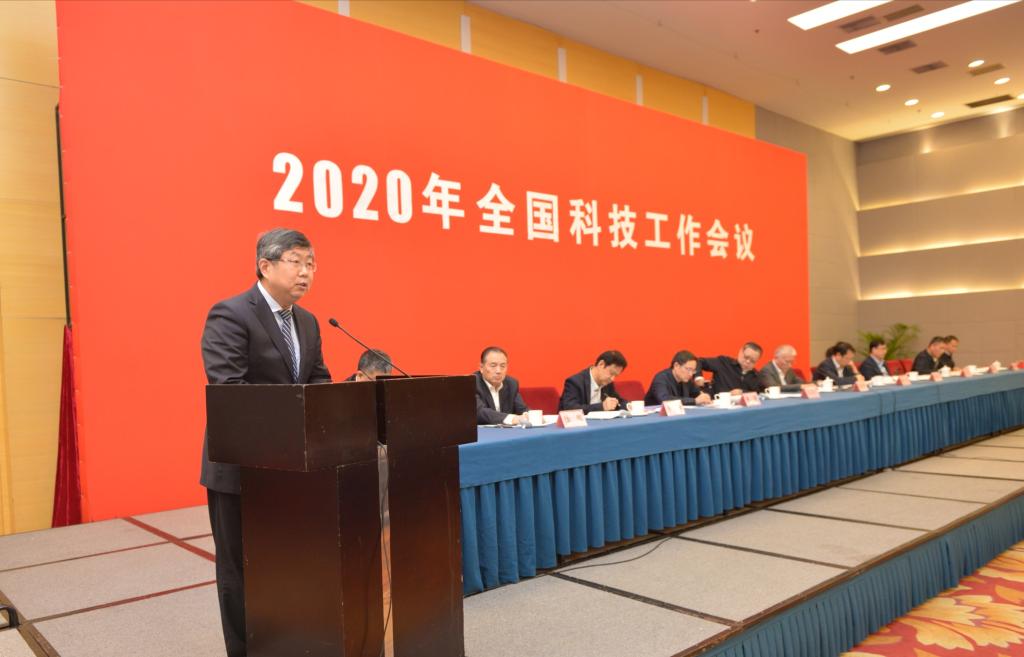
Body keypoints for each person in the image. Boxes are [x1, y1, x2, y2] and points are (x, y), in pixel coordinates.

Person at [200, 228, 331, 657]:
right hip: (241, 470)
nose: (306, 272)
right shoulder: (231, 314)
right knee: (239, 573)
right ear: (265, 265)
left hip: (292, 471)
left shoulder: (308, 322)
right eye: (296, 261)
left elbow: (318, 382)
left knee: (286, 564)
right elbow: (230, 389)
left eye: (311, 263)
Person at [475, 346, 529, 425]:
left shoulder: (511, 384)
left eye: (502, 366)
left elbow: (522, 409)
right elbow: (479, 412)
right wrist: (511, 419)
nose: (498, 371)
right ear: (481, 367)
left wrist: (530, 416)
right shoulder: (471, 384)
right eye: (493, 365)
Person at [559, 350, 627, 412]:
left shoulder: (607, 383)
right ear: (601, 364)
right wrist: (601, 407)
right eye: (611, 373)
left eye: (615, 375)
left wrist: (629, 406)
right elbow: (569, 408)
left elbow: (618, 402)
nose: (612, 379)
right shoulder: (575, 382)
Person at [644, 350, 711, 406]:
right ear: (676, 365)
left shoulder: (687, 380)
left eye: (693, 370)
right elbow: (664, 399)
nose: (690, 374)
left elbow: (697, 394)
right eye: (688, 369)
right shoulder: (661, 378)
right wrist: (694, 401)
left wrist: (704, 396)